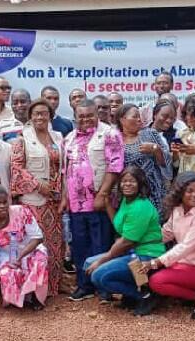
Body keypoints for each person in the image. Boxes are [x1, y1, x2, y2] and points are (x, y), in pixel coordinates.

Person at [63, 99, 125, 301]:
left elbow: (115, 166)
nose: (86, 119)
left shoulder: (109, 134)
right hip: (76, 204)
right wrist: (65, 197)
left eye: (90, 115)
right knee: (80, 246)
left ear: (97, 114)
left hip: (99, 202)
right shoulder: (69, 138)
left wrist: (103, 194)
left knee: (101, 246)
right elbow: (66, 171)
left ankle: (103, 286)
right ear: (75, 116)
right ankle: (84, 285)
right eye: (81, 116)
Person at [84, 166, 165, 315]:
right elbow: (120, 227)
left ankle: (145, 296)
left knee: (98, 275)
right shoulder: (126, 202)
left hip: (147, 254)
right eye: (124, 181)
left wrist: (102, 260)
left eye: (132, 181)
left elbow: (127, 241)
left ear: (140, 184)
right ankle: (131, 294)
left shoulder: (140, 206)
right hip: (132, 253)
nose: (127, 184)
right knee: (88, 263)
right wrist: (108, 204)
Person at [11, 98, 66, 298]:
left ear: (50, 116)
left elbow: (64, 169)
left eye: (44, 113)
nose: (40, 117)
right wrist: (37, 185)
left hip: (54, 201)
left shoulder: (58, 137)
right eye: (36, 113)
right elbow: (16, 169)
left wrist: (63, 195)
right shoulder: (22, 138)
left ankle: (53, 285)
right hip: (32, 201)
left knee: (55, 243)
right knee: (34, 243)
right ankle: (34, 288)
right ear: (30, 116)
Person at [147, 172, 195, 318]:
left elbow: (187, 245)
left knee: (157, 281)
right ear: (180, 192)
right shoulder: (177, 210)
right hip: (184, 263)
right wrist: (141, 242)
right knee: (150, 272)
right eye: (190, 191)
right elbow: (166, 234)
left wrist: (158, 261)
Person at [0, 184, 49, 309]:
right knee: (5, 273)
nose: (2, 206)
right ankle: (17, 298)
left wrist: (21, 255)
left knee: (39, 260)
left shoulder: (21, 211)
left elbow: (38, 237)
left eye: (5, 202)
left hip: (30, 248)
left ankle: (36, 297)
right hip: (7, 255)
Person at [117, 104, 171, 214]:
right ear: (122, 120)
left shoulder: (150, 134)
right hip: (129, 193)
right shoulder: (116, 141)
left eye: (139, 116)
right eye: (135, 116)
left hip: (154, 193)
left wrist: (156, 149)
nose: (139, 119)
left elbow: (167, 163)